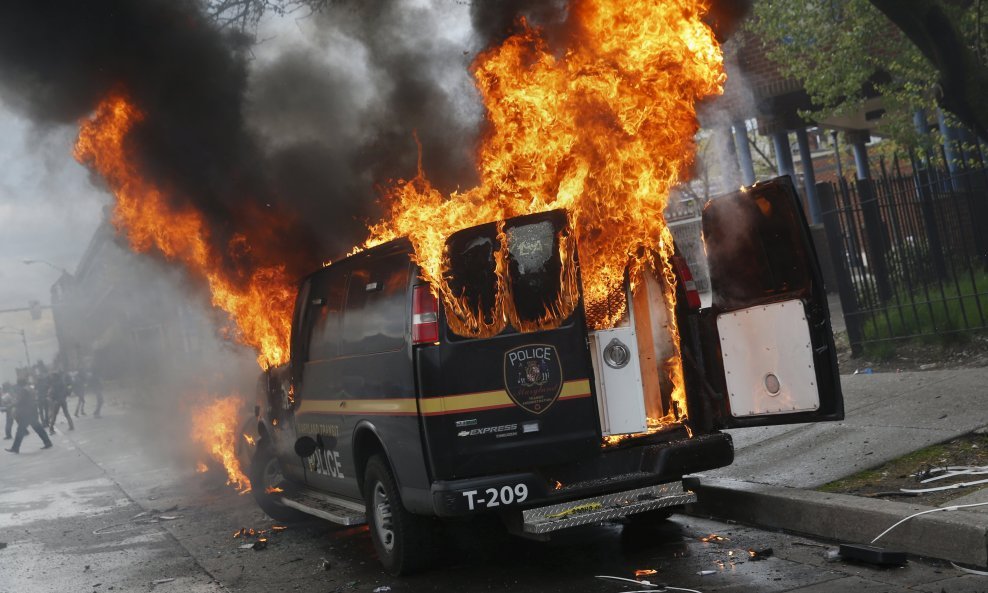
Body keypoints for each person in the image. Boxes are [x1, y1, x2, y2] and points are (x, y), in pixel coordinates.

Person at [5, 378, 53, 453]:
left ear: (20, 384)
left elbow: (20, 401)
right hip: (32, 411)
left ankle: (15, 448)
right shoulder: (30, 388)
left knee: (20, 431)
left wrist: (11, 405)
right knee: (38, 429)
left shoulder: (23, 390)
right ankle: (48, 442)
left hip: (26, 414)